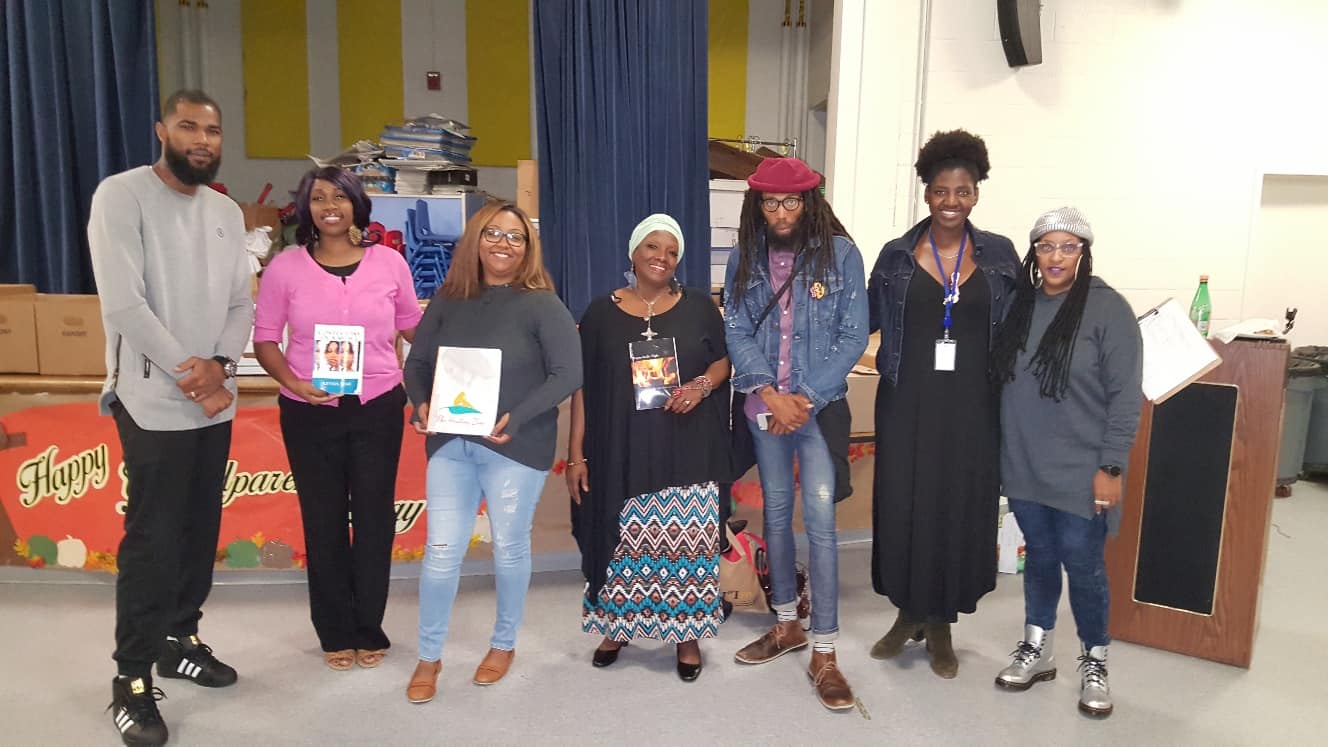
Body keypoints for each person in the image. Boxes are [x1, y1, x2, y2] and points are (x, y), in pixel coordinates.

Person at [87, 89, 253, 747]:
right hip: (154, 403)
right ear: (161, 130)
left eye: (212, 130)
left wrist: (219, 361)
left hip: (211, 402)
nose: (202, 140)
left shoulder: (225, 210)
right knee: (153, 542)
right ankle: (130, 679)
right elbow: (125, 306)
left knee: (198, 530)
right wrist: (193, 370)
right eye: (189, 126)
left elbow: (242, 303)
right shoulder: (120, 196)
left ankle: (179, 639)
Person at [402, 202, 582, 704]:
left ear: (528, 248)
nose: (504, 245)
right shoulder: (448, 299)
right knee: (440, 554)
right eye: (494, 234)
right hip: (451, 445)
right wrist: (419, 405)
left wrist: (518, 416)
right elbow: (416, 365)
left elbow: (569, 373)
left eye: (516, 238)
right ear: (476, 240)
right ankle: (429, 655)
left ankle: (503, 644)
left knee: (509, 547)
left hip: (515, 448)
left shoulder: (542, 304)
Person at [253, 166, 422, 672]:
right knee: (323, 520)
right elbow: (265, 339)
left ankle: (368, 626)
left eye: (341, 196)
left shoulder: (390, 263)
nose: (330, 205)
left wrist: (459, 365)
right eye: (319, 197)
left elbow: (414, 327)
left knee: (373, 521)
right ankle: (333, 630)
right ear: (306, 208)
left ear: (357, 205)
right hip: (310, 412)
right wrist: (292, 382)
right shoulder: (284, 267)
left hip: (378, 407)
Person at [866, 129, 1019, 679]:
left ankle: (941, 624)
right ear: (925, 194)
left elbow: (1023, 327)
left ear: (976, 193)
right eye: (940, 192)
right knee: (907, 503)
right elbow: (860, 324)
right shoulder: (896, 256)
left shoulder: (1000, 255)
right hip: (908, 402)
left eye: (963, 192)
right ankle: (908, 615)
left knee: (956, 503)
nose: (951, 202)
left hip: (974, 404)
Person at [724, 157, 868, 711]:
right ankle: (786, 625)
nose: (780, 213)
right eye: (769, 202)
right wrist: (770, 393)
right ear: (756, 206)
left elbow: (855, 333)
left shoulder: (841, 256)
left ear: (809, 203)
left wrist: (802, 397)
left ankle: (826, 650)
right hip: (765, 409)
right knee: (777, 514)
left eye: (790, 202)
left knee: (823, 523)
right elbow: (736, 325)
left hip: (817, 409)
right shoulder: (744, 257)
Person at [566, 214, 732, 682]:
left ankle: (686, 635)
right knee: (624, 543)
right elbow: (583, 389)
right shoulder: (600, 313)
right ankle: (618, 627)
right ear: (633, 252)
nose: (662, 258)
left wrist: (700, 386)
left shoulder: (699, 306)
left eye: (672, 251)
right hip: (620, 449)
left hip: (687, 448)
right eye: (652, 248)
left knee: (685, 545)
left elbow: (723, 362)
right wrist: (576, 454)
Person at [990, 207, 1142, 717]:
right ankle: (1039, 647)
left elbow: (1125, 398)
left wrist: (1112, 466)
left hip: (1083, 467)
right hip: (1025, 460)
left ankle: (1094, 661)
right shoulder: (1019, 303)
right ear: (1033, 252)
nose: (1056, 257)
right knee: (1040, 554)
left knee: (1083, 564)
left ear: (1084, 253)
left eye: (1068, 247)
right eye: (1046, 246)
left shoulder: (1107, 310)